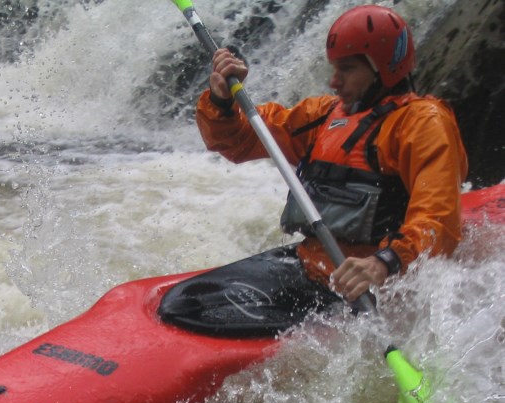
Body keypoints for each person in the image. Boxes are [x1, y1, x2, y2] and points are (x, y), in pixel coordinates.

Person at [159, 4, 468, 337]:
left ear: (384, 69)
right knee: (186, 302)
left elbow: (437, 220)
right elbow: (236, 142)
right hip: (310, 264)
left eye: (347, 69)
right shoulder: (323, 116)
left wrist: (383, 263)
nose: (335, 81)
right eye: (334, 68)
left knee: (195, 315)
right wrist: (222, 100)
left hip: (362, 282)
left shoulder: (421, 124)